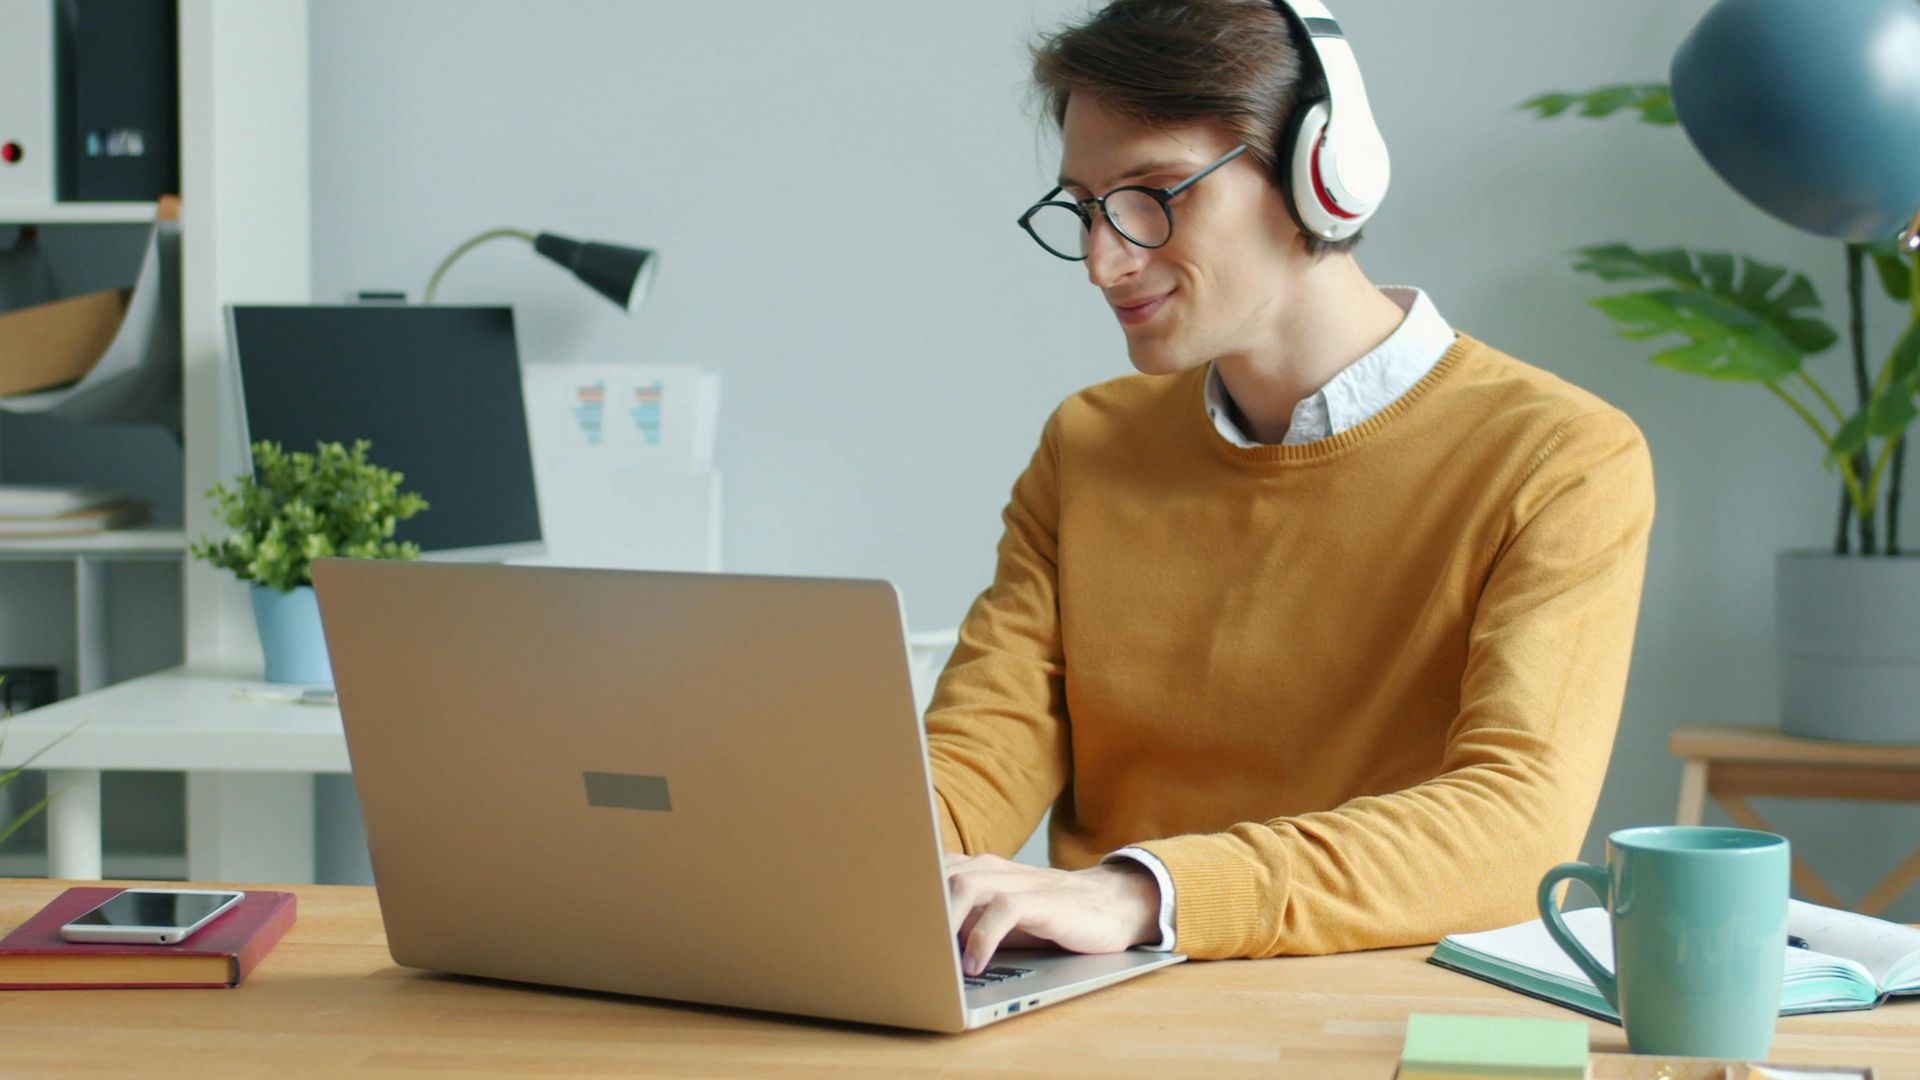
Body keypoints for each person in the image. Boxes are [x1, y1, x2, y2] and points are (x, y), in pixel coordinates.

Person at [933, 0, 1656, 976]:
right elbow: (981, 752)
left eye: (1153, 194)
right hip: (1105, 1008)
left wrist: (1139, 892)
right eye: (1086, 207)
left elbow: (1514, 824)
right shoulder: (1088, 444)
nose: (1106, 260)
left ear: (1322, 175)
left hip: (1379, 1008)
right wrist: (843, 864)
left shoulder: (1558, 457)